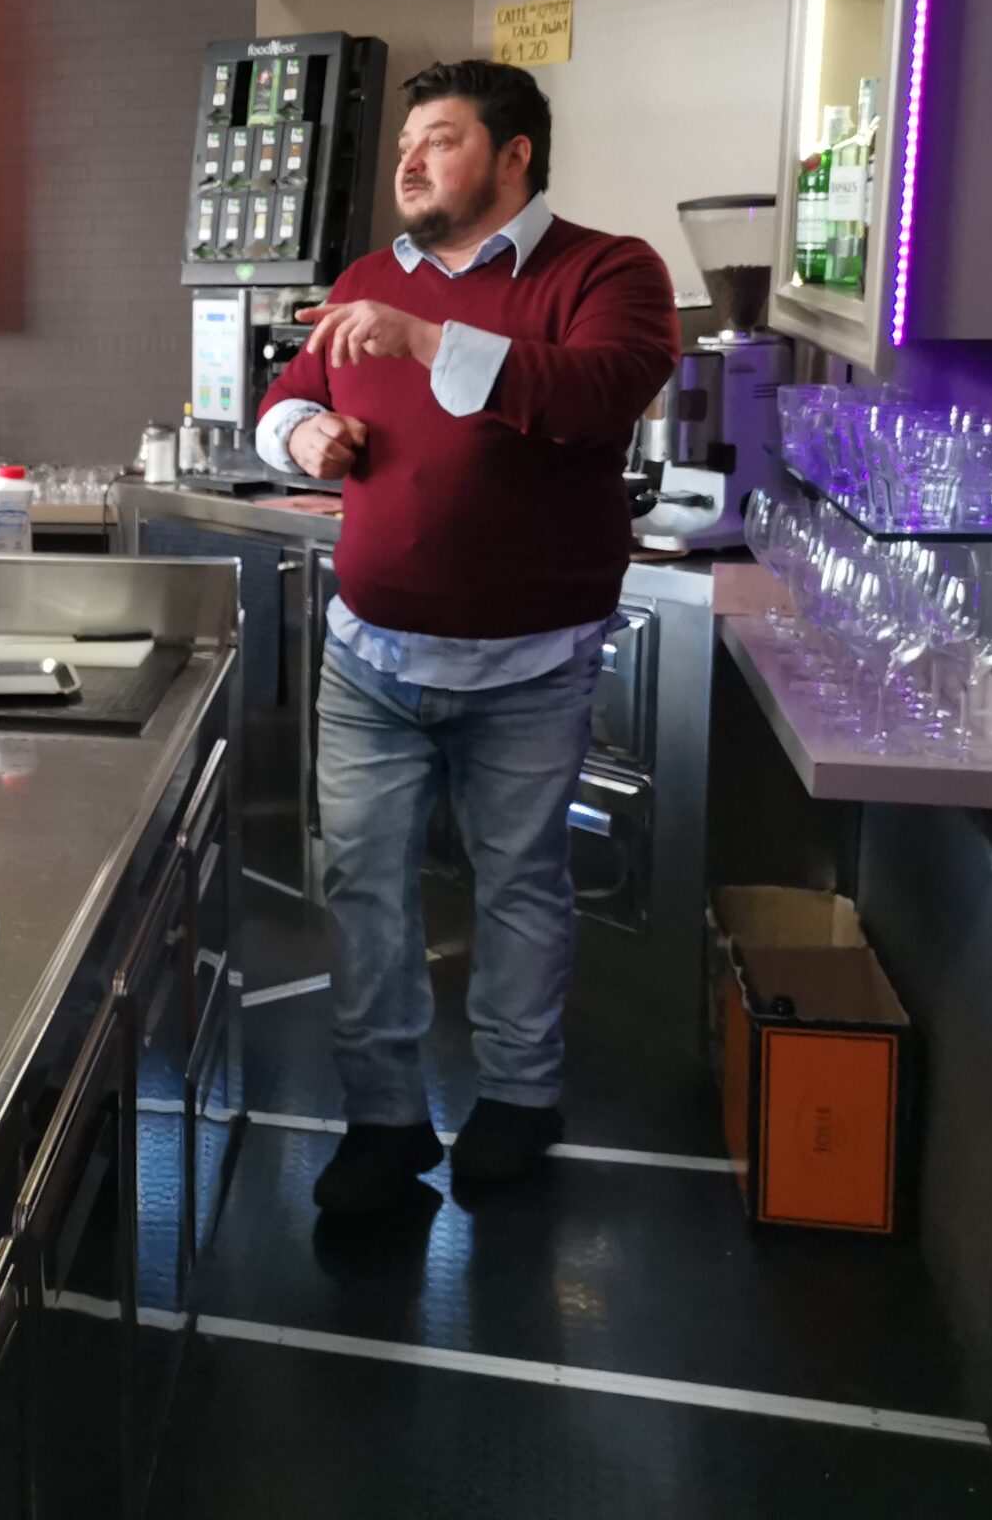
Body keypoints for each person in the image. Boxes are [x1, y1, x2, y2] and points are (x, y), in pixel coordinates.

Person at [255, 58, 679, 1213]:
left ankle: (518, 1101)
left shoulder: (607, 269)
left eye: (437, 140)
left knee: (519, 885)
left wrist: (425, 338)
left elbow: (596, 392)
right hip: (369, 658)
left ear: (513, 154)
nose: (408, 162)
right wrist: (301, 438)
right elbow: (286, 397)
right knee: (363, 889)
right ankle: (383, 1121)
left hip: (531, 662)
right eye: (406, 145)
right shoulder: (366, 278)